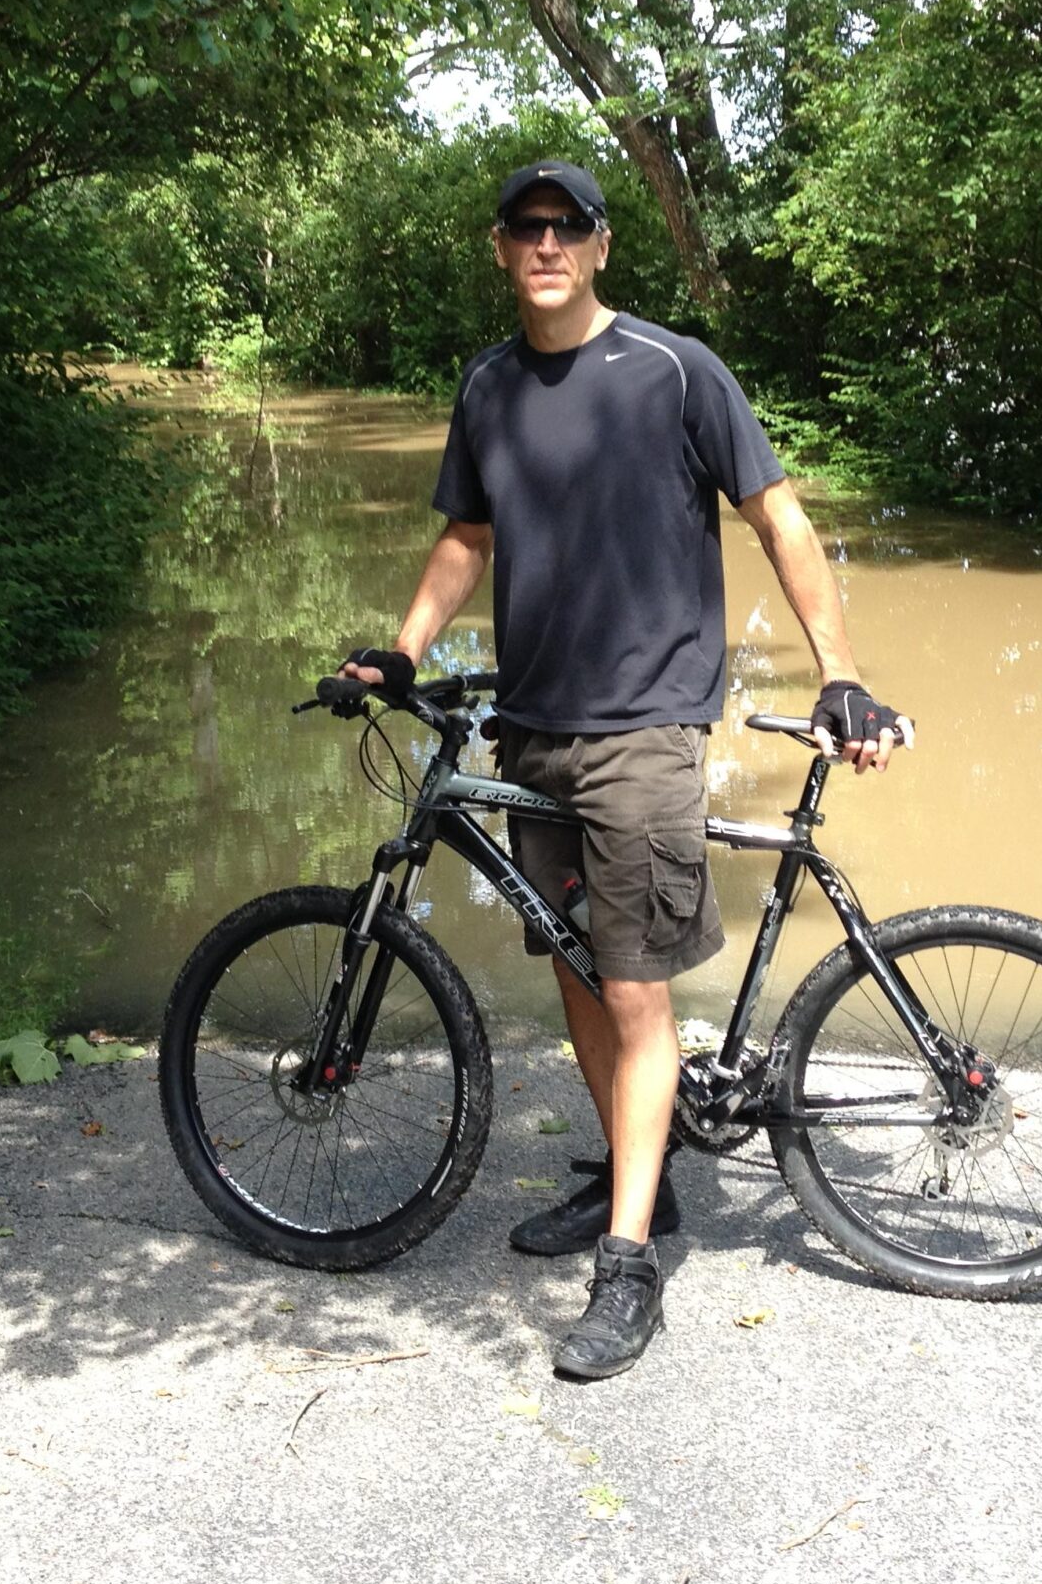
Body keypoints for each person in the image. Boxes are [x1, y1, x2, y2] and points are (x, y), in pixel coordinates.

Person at [340, 158, 909, 1380]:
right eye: (524, 227)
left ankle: (627, 1268)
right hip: (532, 718)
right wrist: (399, 653)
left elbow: (778, 514)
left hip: (646, 725)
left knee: (638, 992)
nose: (545, 243)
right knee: (583, 975)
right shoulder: (489, 386)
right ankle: (633, 1186)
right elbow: (467, 536)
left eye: (568, 227)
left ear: (600, 248)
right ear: (500, 249)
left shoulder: (672, 369)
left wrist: (837, 672)